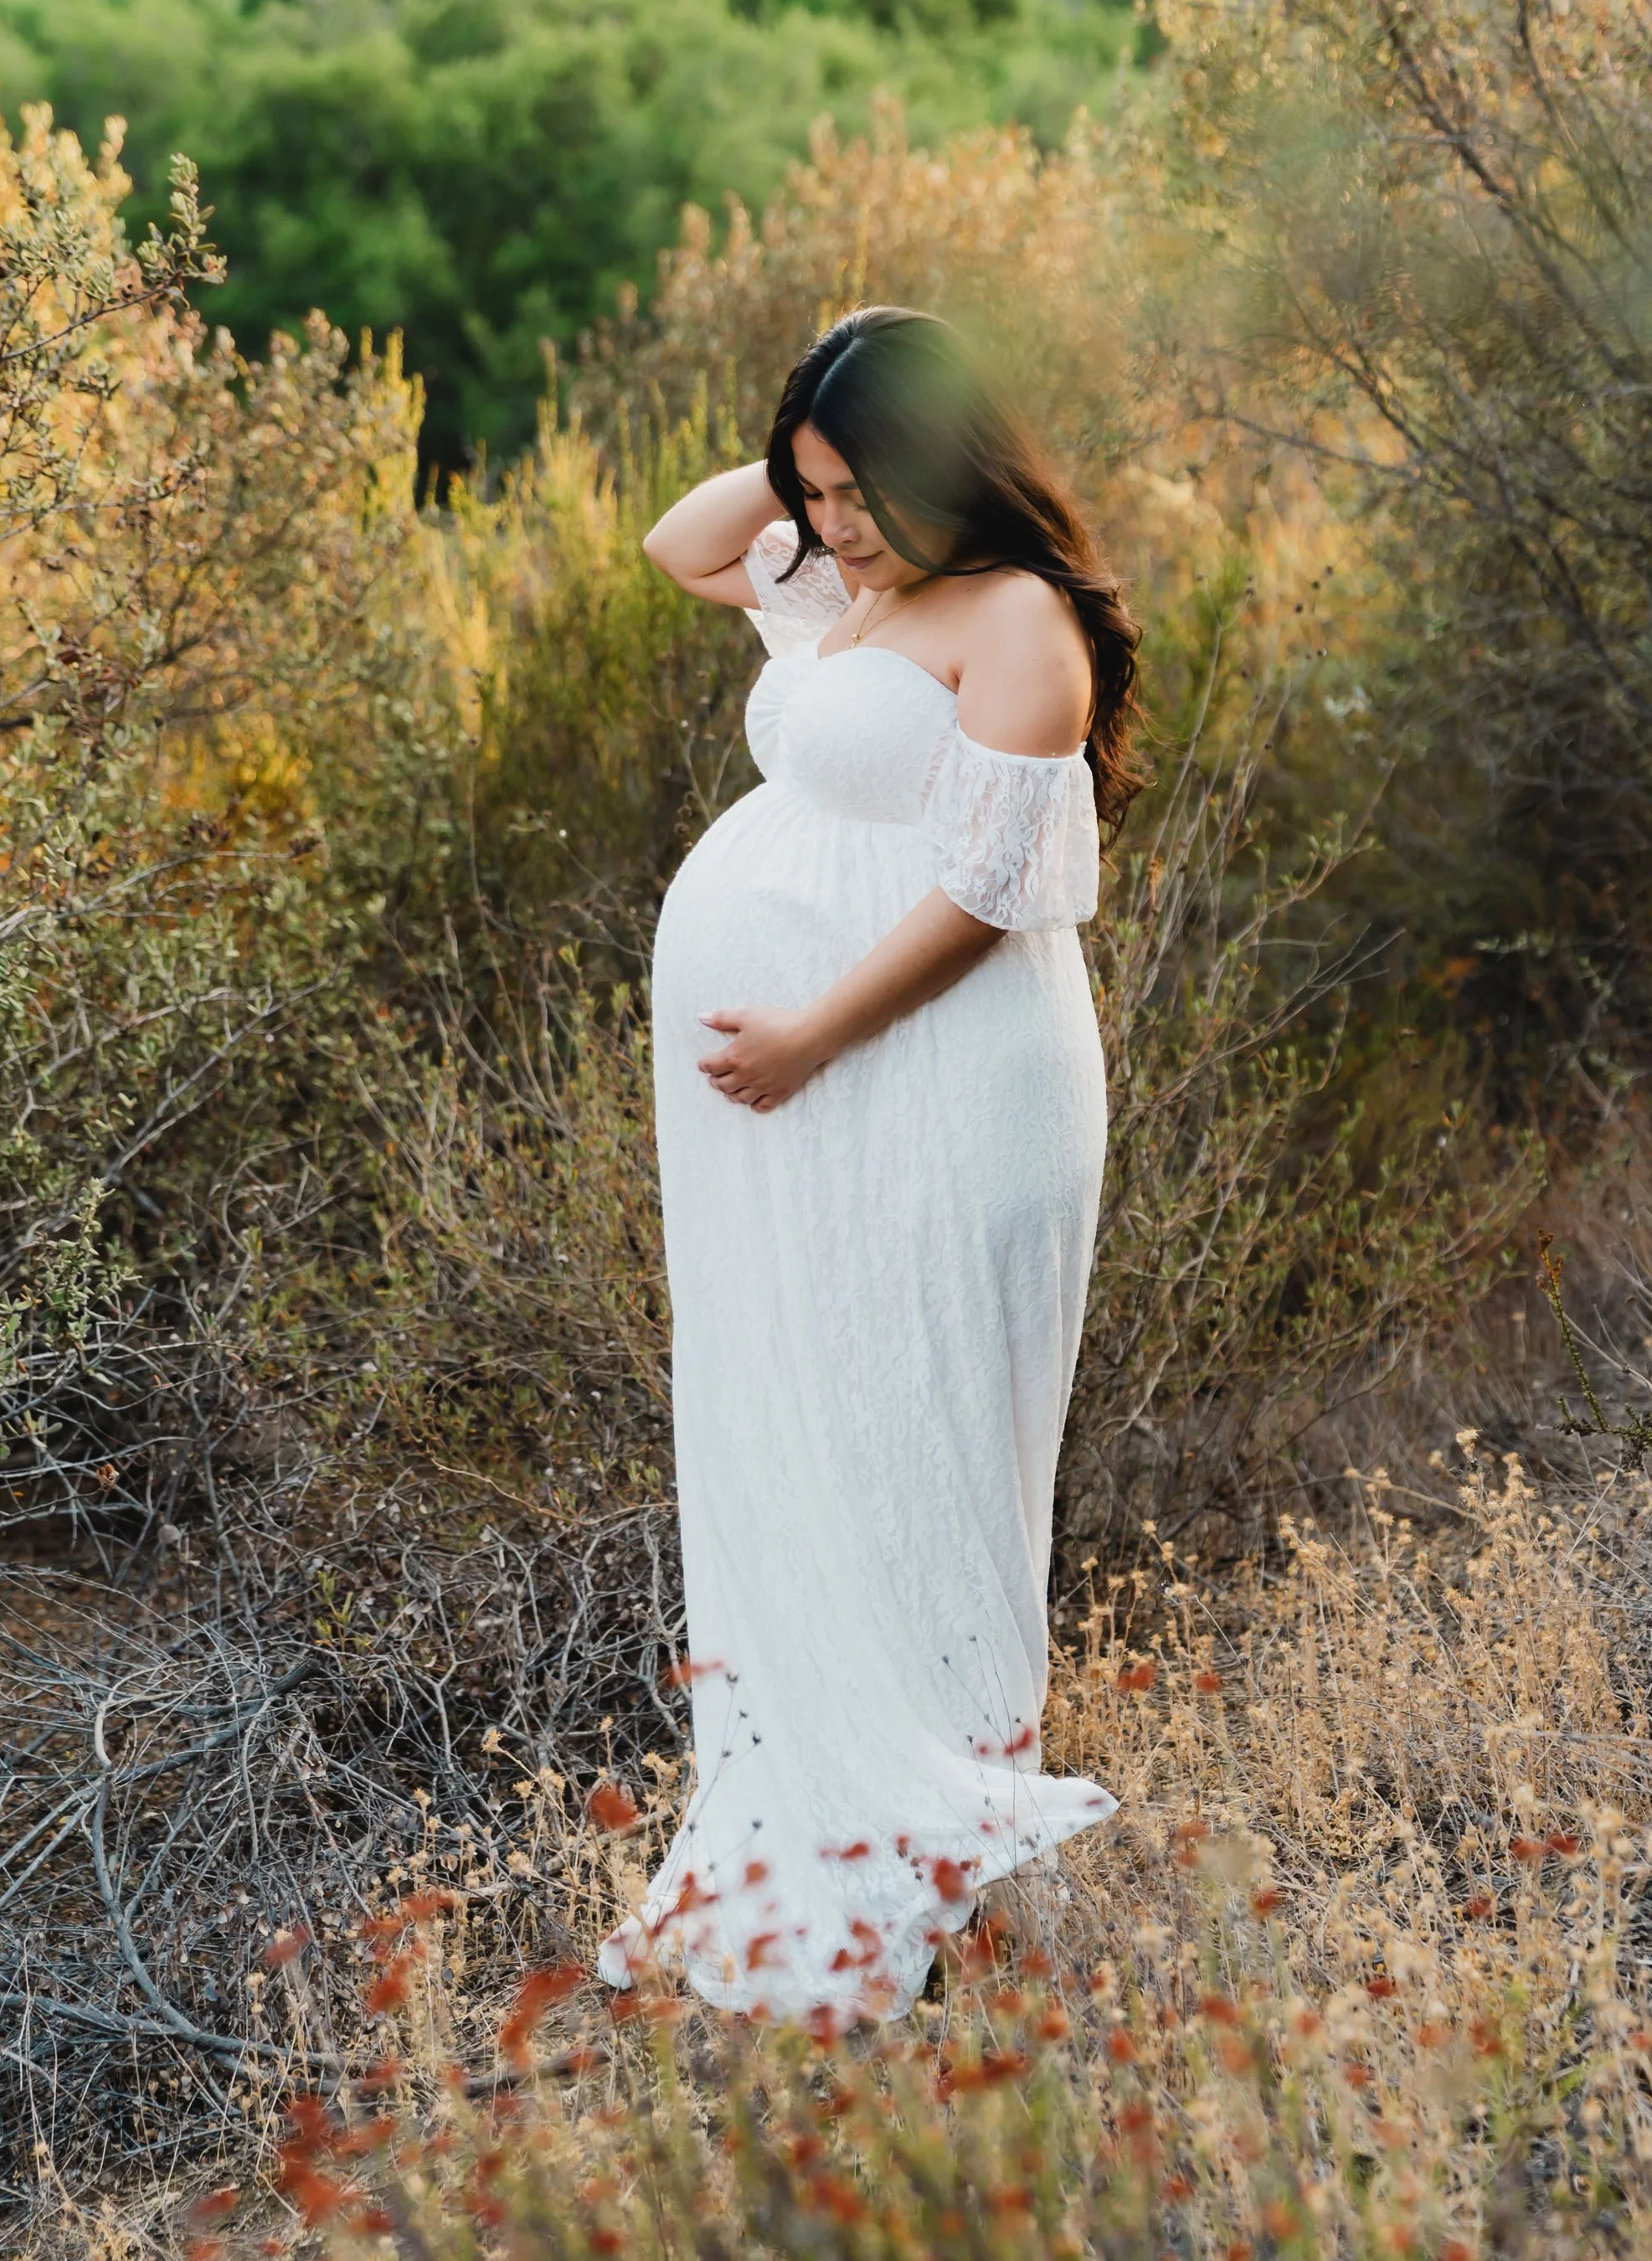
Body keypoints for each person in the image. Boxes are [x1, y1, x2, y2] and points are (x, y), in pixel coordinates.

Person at [594, 306, 1142, 2026]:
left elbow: (989, 893)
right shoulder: (864, 591)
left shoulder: (1021, 622)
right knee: (817, 1414)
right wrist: (814, 428)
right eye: (812, 491)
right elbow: (684, 545)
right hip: (818, 1096)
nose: (823, 526)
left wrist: (818, 1031)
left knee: (928, 1432)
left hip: (949, 1084)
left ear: (946, 464)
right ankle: (830, 1839)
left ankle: (954, 1857)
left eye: (856, 489)